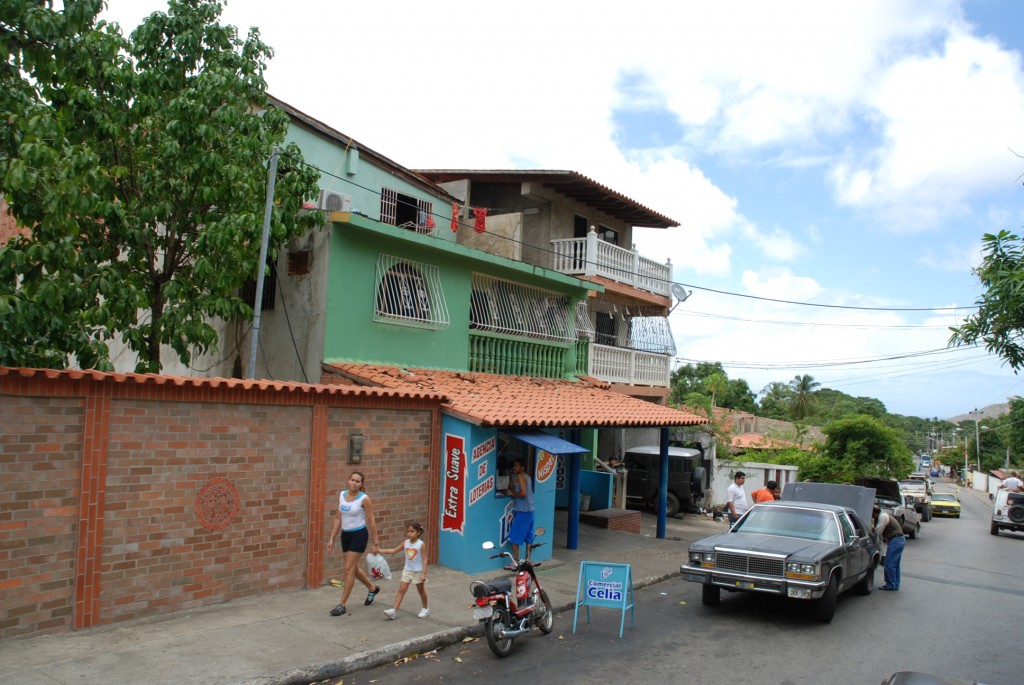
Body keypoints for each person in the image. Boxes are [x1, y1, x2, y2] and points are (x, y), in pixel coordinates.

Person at [326, 471, 381, 616]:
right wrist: (332, 537)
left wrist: (376, 542)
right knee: (353, 568)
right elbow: (338, 518)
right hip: (346, 535)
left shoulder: (364, 499)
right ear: (348, 480)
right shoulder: (342, 495)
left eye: (358, 481)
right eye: (352, 480)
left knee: (348, 569)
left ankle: (342, 605)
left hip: (359, 535)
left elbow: (371, 520)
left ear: (362, 484)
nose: (354, 483)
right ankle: (372, 587)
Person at [380, 520, 429, 620]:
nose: (409, 534)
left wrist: (424, 574)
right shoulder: (405, 542)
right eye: (408, 531)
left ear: (418, 532)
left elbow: (424, 559)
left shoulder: (421, 544)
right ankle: (394, 610)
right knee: (401, 590)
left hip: (418, 572)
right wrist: (380, 551)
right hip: (407, 570)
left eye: (412, 531)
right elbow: (393, 550)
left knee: (421, 591)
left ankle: (425, 608)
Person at [504, 458, 535, 561]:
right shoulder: (527, 477)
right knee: (528, 538)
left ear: (522, 467)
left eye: (516, 466)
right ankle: (528, 560)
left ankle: (516, 561)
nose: (514, 468)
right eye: (514, 466)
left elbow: (523, 493)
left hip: (523, 511)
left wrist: (512, 494)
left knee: (514, 538)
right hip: (530, 511)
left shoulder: (521, 477)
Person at [873, 504, 905, 591]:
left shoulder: (882, 517)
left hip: (896, 540)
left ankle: (890, 584)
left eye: (873, 516)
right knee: (895, 564)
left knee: (889, 563)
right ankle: (895, 584)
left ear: (875, 513)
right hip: (899, 540)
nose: (873, 518)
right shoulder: (884, 515)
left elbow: (878, 530)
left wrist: (872, 529)